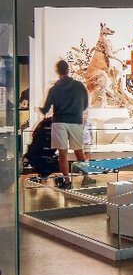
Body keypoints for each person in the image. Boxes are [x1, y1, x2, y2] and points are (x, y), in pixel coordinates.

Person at [39, 60, 89, 189]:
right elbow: (85, 105)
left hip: (59, 122)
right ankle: (86, 177)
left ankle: (67, 181)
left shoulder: (54, 89)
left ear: (57, 71)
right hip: (75, 121)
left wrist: (39, 109)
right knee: (79, 151)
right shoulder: (79, 86)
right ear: (68, 69)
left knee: (63, 154)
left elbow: (45, 109)